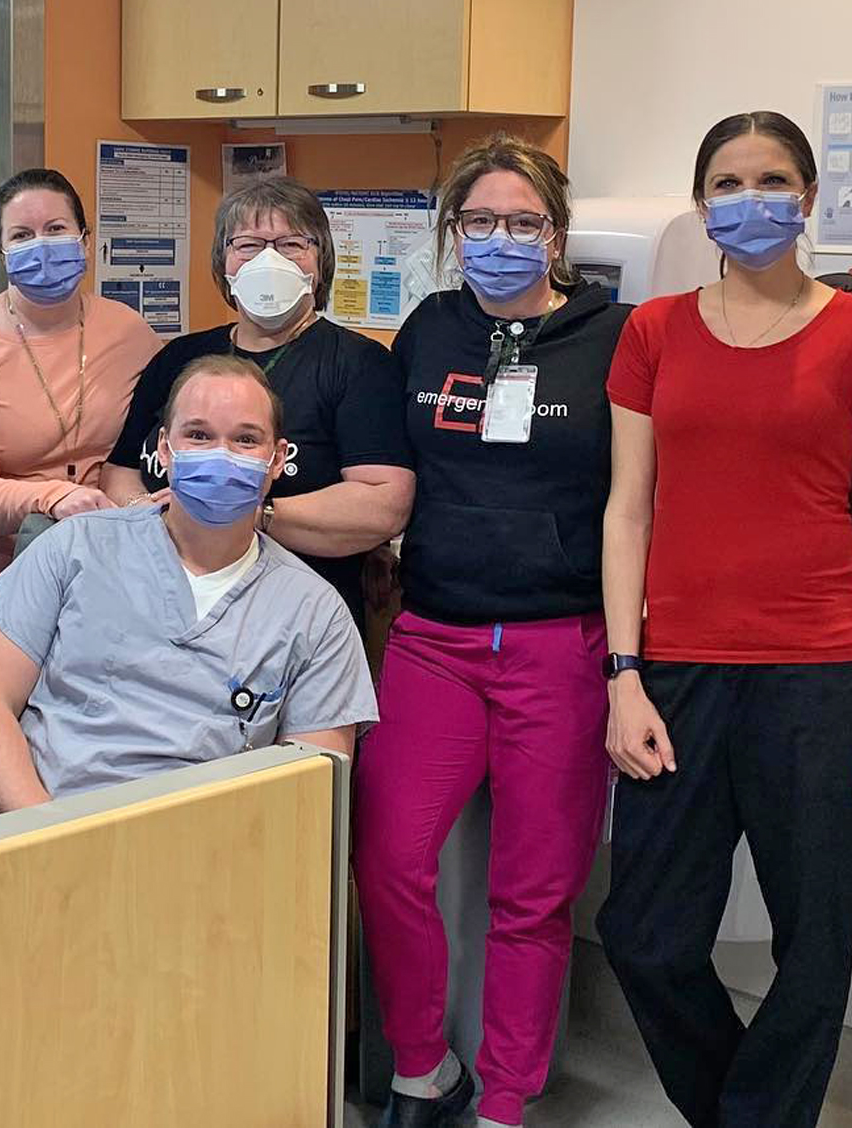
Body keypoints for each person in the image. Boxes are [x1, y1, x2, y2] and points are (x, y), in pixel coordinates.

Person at [595, 110, 852, 1128]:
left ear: (809, 196)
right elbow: (628, 509)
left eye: (773, 181)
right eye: (727, 185)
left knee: (815, 945)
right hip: (676, 674)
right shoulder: (653, 331)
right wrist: (623, 674)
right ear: (702, 207)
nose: (751, 202)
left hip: (821, 677)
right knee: (645, 935)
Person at [351, 134, 631, 1128]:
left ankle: (506, 1098)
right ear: (451, 232)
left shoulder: (614, 335)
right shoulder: (428, 329)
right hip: (435, 636)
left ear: (555, 234)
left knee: (534, 893)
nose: (499, 239)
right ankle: (422, 1068)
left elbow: (639, 496)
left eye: (522, 221)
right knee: (390, 859)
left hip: (562, 644)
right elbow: (387, 470)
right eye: (478, 221)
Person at [0, 354, 377, 811]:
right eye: (199, 435)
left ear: (277, 460)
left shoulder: (316, 612)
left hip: (207, 844)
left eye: (246, 440)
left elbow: (311, 793)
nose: (221, 456)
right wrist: (49, 834)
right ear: (164, 450)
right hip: (45, 823)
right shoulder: (75, 548)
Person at [101, 176, 413, 632]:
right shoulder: (179, 358)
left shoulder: (358, 365)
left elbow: (383, 504)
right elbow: (120, 470)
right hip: (161, 598)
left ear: (321, 262)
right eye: (248, 245)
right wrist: (152, 514)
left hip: (295, 617)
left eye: (291, 244)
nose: (269, 259)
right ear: (223, 261)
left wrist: (252, 516)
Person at [0, 167, 162, 637]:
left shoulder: (128, 331)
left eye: (55, 229)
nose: (42, 246)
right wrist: (57, 497)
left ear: (85, 240)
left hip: (108, 589)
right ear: (2, 253)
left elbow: (150, 447)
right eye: (22, 235)